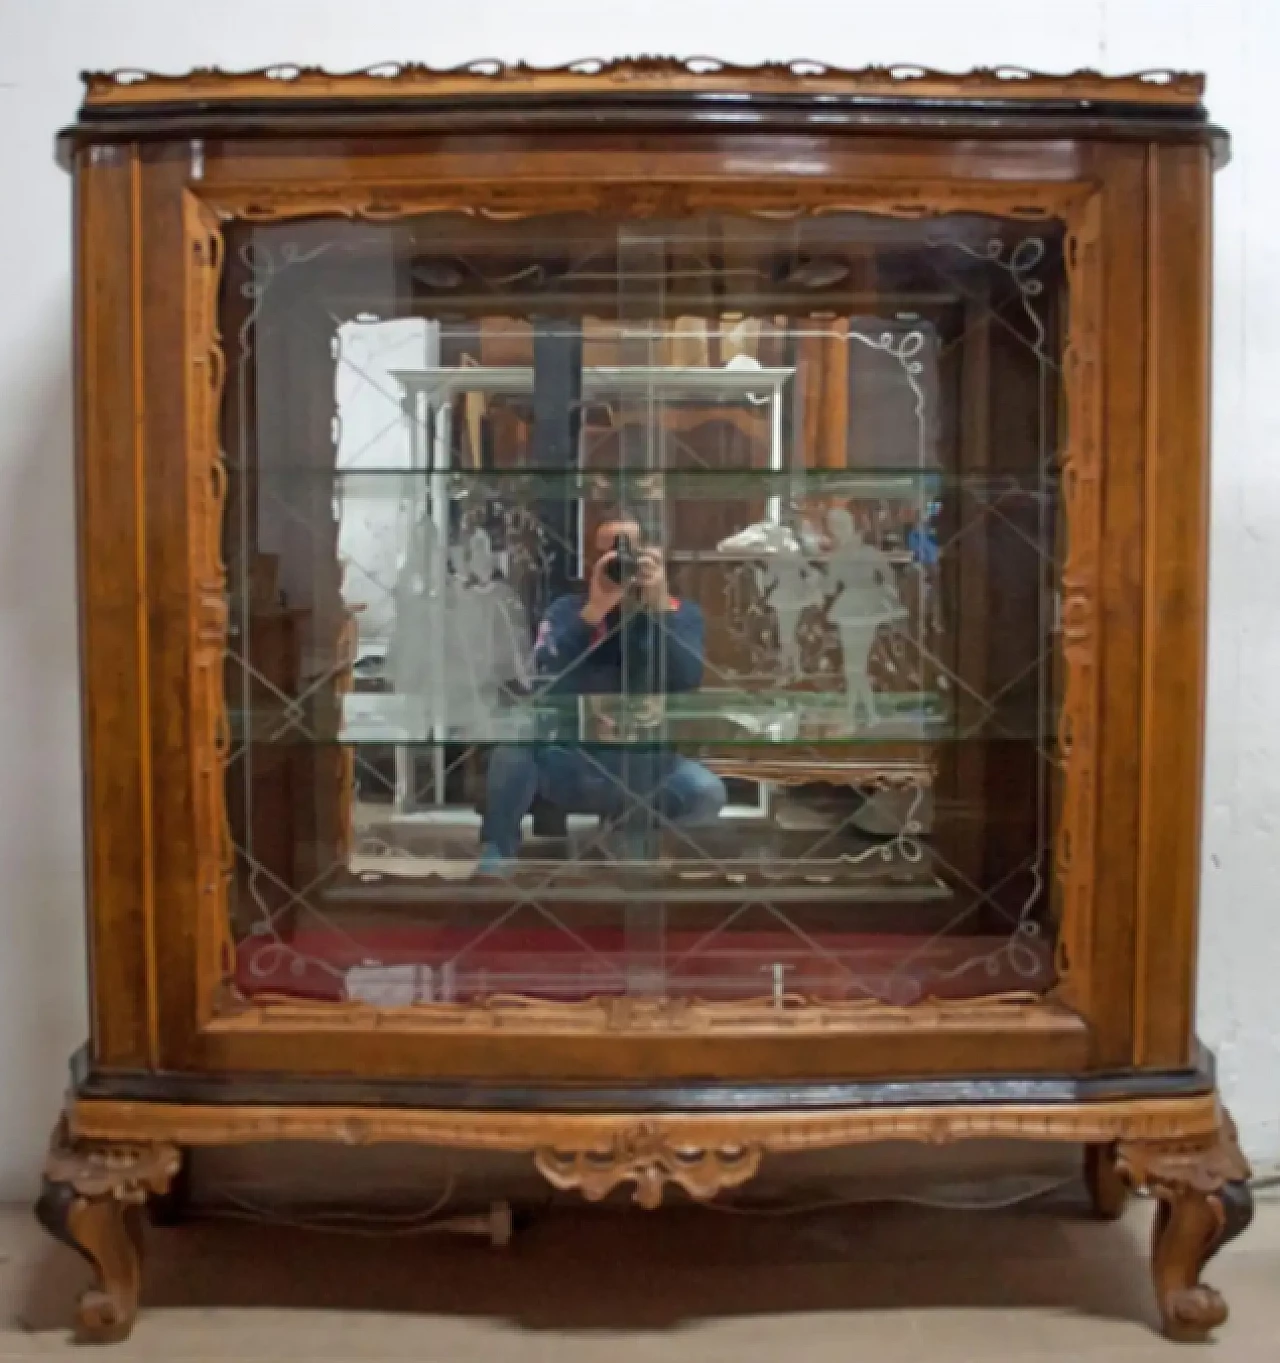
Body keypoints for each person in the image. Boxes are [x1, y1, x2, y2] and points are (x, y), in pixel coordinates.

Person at [478, 510, 726, 871]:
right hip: (570, 759)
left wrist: (657, 607)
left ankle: (637, 838)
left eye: (630, 552)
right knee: (511, 752)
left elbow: (686, 679)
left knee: (706, 792)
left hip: (647, 763)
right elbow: (543, 680)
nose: (621, 562)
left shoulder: (679, 613)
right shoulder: (569, 611)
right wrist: (594, 612)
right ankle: (497, 854)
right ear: (593, 561)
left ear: (651, 557)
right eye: (610, 553)